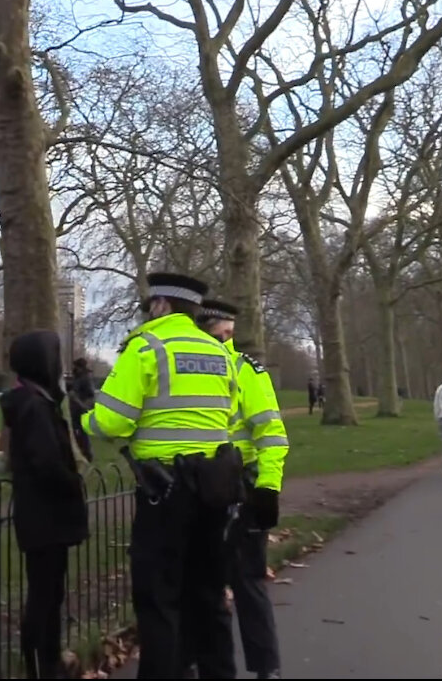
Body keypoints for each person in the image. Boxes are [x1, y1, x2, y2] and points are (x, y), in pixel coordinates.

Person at [81, 272, 240, 679]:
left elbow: (113, 421)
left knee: (159, 598)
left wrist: (87, 419)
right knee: (207, 593)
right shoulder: (220, 352)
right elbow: (229, 412)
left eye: (151, 304)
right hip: (215, 488)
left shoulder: (147, 346)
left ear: (161, 305)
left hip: (165, 492)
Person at [198, 299, 288, 680]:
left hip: (240, 485)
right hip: (199, 485)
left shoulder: (245, 369)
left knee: (247, 581)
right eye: (222, 331)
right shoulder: (191, 368)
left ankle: (266, 668)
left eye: (231, 332)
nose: (227, 338)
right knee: (202, 584)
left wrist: (267, 488)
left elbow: (270, 431)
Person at [0, 330, 89, 679]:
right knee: (43, 595)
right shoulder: (35, 407)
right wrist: (72, 481)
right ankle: (40, 663)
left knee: (51, 592)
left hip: (45, 514)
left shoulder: (36, 401)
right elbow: (47, 461)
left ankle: (49, 658)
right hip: (45, 514)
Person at [67, 358, 96, 462]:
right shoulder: (77, 378)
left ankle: (88, 454)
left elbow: (90, 396)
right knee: (76, 432)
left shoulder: (85, 378)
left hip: (81, 410)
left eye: (75, 366)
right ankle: (81, 453)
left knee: (82, 433)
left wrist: (79, 402)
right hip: (75, 410)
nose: (74, 368)